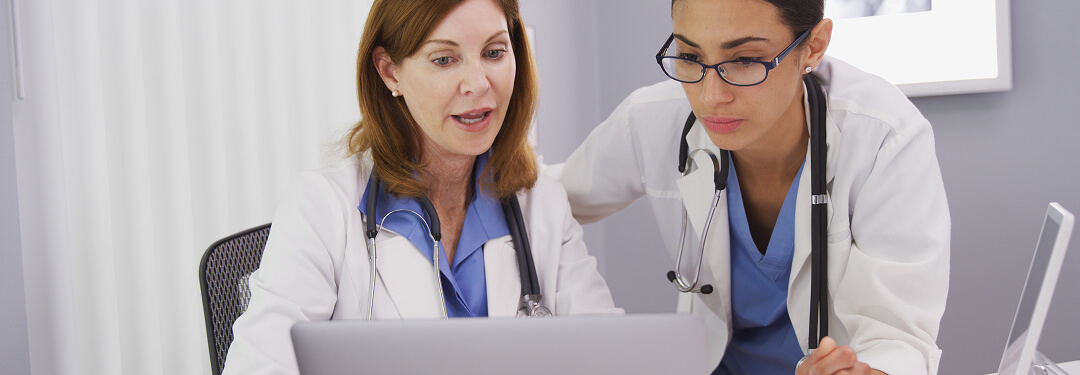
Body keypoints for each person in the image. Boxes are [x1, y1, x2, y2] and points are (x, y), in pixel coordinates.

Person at [544, 0, 949, 374]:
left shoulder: (884, 139)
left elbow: (897, 338)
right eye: (690, 56)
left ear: (813, 46)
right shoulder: (654, 119)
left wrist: (868, 371)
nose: (711, 96)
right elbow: (544, 198)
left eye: (745, 60)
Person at [222, 0, 620, 373]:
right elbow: (259, 365)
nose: (478, 83)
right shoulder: (322, 210)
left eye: (494, 52)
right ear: (390, 71)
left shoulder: (542, 208)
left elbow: (614, 357)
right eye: (445, 59)